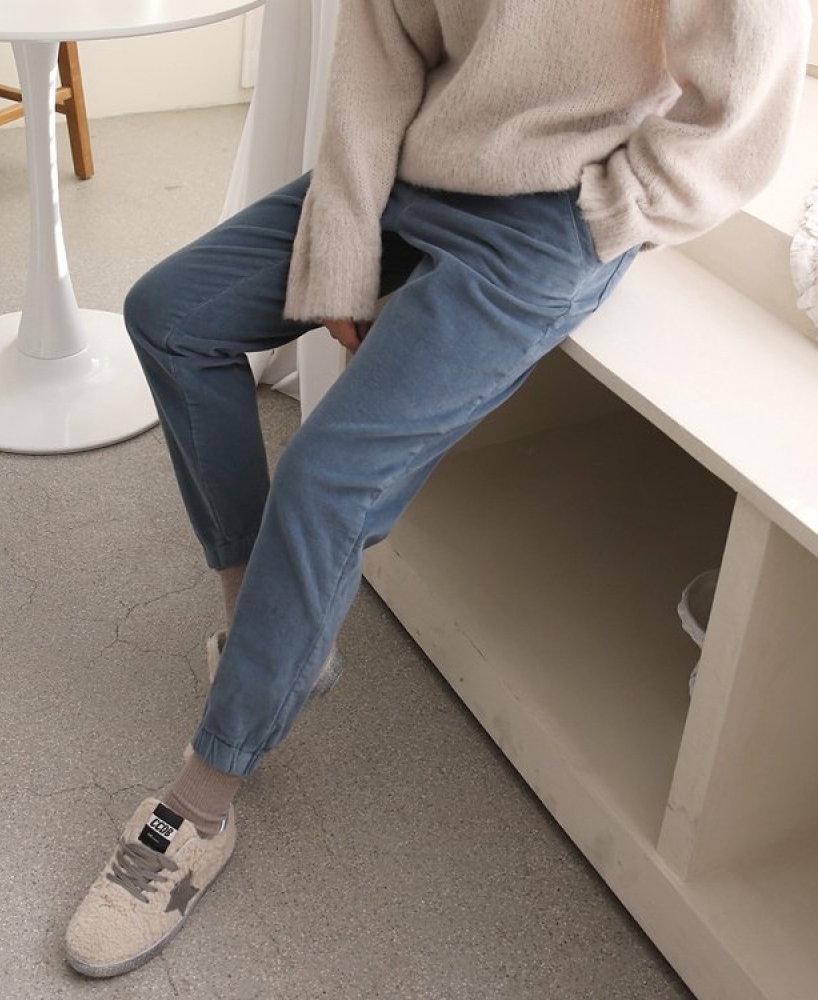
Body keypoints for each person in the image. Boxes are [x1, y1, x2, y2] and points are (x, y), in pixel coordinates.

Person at [64, 0, 810, 978]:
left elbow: (747, 89)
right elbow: (382, 45)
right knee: (171, 314)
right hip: (418, 167)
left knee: (327, 478)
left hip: (554, 217)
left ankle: (198, 809)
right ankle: (265, 633)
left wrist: (614, 212)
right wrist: (344, 242)